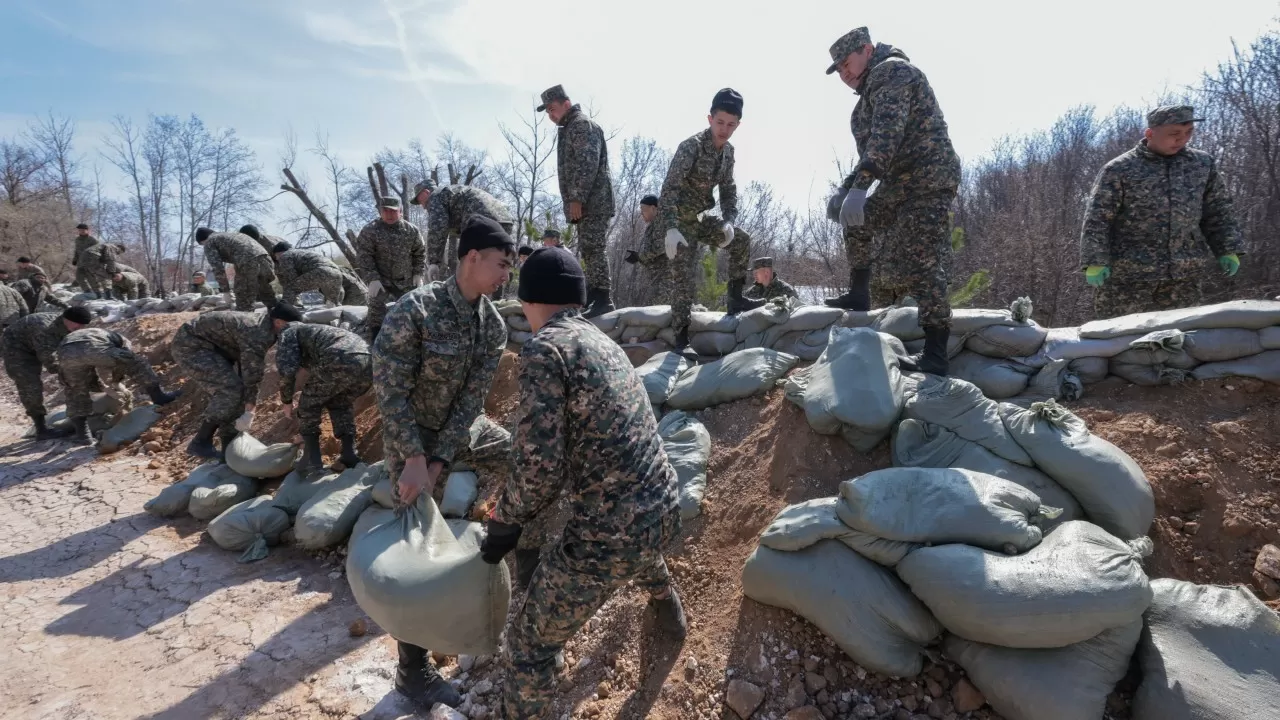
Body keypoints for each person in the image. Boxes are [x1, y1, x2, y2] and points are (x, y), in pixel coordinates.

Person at [480, 247, 687, 719]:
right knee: (636, 531)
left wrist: (505, 522)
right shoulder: (601, 340)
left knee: (526, 647)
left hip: (612, 537)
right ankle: (668, 608)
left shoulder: (544, 349)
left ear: (528, 300)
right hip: (663, 509)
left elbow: (538, 467)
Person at [372, 215, 516, 711]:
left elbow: (471, 402)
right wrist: (413, 458)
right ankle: (411, 671)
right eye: (500, 264)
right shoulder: (416, 309)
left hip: (448, 437)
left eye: (510, 267)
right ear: (471, 257)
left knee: (516, 453)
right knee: (415, 538)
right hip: (405, 434)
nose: (505, 276)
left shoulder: (491, 325)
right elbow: (390, 389)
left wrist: (439, 459)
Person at [821, 26, 961, 377]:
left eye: (847, 63)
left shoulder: (894, 72)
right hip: (900, 183)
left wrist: (860, 187)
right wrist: (846, 190)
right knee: (855, 220)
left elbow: (887, 135)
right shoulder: (869, 92)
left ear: (867, 49)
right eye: (838, 69)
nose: (844, 73)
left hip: (929, 177)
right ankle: (858, 292)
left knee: (920, 255)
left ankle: (935, 352)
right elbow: (873, 151)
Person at [1080, 105, 1243, 318]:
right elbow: (1098, 219)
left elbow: (1218, 210)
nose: (1182, 139)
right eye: (1174, 134)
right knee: (1122, 341)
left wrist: (1227, 248)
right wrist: (1094, 260)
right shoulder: (1119, 169)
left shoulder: (1202, 165)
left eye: (1188, 133)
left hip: (1184, 276)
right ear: (1150, 133)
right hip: (1128, 277)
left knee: (1178, 342)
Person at [658, 88, 763, 347]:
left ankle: (736, 298)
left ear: (738, 125)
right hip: (679, 222)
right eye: (720, 123)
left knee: (741, 240)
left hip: (702, 219)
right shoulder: (691, 147)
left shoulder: (728, 153)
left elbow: (728, 189)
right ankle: (680, 335)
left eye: (731, 124)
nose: (724, 130)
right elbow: (669, 189)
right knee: (683, 274)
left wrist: (729, 219)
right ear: (709, 119)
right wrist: (670, 227)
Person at [170, 304, 301, 459]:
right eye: (291, 326)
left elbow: (246, 369)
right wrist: (250, 409)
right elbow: (252, 373)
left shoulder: (267, 327)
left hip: (214, 347)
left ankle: (229, 449)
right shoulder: (258, 332)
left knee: (239, 392)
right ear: (278, 322)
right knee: (230, 389)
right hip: (191, 346)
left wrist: (247, 404)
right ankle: (200, 441)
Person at [538, 84, 617, 318]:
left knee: (594, 248)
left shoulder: (581, 125)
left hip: (593, 201)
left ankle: (603, 298)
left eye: (553, 109)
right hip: (587, 202)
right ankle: (595, 294)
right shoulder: (571, 127)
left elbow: (586, 163)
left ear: (567, 104)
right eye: (548, 112)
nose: (551, 116)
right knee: (590, 250)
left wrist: (576, 198)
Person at [56, 327, 181, 445]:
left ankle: (83, 436)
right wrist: (117, 381)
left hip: (65, 353)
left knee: (75, 390)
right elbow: (124, 360)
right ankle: (159, 397)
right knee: (137, 363)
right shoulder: (121, 340)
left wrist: (104, 386)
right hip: (91, 348)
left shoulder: (96, 334)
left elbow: (91, 369)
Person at [277, 323, 371, 475]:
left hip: (339, 357)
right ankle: (349, 454)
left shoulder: (288, 333)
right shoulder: (318, 330)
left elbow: (287, 370)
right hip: (368, 362)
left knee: (308, 404)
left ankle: (311, 461)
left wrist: (286, 400)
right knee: (340, 402)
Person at [2, 308, 91, 440]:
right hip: (16, 348)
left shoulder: (72, 326)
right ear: (66, 319)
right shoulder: (45, 329)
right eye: (78, 324)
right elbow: (51, 361)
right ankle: (41, 429)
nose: (80, 328)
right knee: (29, 385)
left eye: (84, 325)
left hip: (36, 341)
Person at [411, 179, 515, 279]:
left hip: (480, 219)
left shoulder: (435, 197)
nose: (422, 206)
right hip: (505, 220)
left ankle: (468, 295)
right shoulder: (452, 192)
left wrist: (434, 261)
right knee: (494, 261)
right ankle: (495, 292)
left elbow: (437, 228)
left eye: (419, 200)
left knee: (468, 261)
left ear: (425, 192)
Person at [355, 196, 426, 343]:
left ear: (400, 211)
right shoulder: (370, 230)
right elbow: (364, 255)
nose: (389, 214)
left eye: (393, 211)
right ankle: (376, 346)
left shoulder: (411, 230)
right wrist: (372, 278)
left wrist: (418, 273)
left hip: (406, 281)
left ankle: (413, 344)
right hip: (381, 281)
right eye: (385, 211)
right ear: (380, 211)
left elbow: (420, 252)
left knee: (414, 312)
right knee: (376, 312)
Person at [195, 227, 279, 311]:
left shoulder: (210, 241)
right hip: (266, 259)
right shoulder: (230, 235)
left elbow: (218, 268)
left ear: (202, 240)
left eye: (202, 244)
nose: (204, 246)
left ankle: (245, 322)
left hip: (248, 261)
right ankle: (279, 316)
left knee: (244, 300)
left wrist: (226, 291)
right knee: (265, 292)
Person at [272, 241, 367, 307]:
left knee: (290, 287)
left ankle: (283, 313)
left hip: (321, 272)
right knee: (333, 304)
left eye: (276, 256)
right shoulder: (302, 252)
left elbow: (290, 277)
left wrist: (291, 296)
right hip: (337, 273)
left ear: (279, 252)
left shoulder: (285, 256)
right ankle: (335, 320)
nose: (276, 259)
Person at [623, 194, 674, 304]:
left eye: (644, 209)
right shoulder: (654, 225)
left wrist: (639, 256)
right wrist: (639, 257)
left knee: (661, 310)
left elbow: (662, 246)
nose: (641, 213)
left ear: (653, 208)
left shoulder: (662, 223)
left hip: (665, 279)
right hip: (656, 278)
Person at [71, 223, 100, 292]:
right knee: (79, 277)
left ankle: (97, 292)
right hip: (80, 262)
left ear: (87, 230)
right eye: (80, 230)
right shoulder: (77, 240)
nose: (81, 231)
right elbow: (76, 250)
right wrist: (75, 259)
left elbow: (98, 251)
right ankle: (87, 291)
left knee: (91, 278)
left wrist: (94, 262)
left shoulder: (93, 240)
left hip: (90, 263)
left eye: (83, 230)